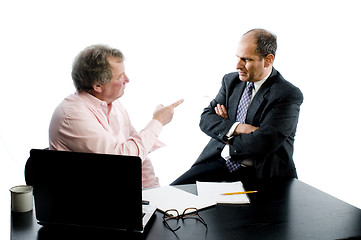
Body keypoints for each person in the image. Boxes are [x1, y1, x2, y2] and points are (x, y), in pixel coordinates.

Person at [172, 29, 303, 186]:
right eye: (238, 58)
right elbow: (206, 119)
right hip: (219, 161)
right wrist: (239, 127)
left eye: (246, 60)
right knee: (172, 194)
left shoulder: (287, 94)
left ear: (268, 60)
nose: (238, 65)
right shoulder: (231, 81)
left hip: (261, 174)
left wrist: (225, 132)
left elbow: (264, 142)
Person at [49, 44, 183, 188]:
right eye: (120, 76)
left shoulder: (113, 105)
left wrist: (155, 192)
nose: (127, 79)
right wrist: (158, 121)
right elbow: (123, 161)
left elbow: (139, 154)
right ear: (97, 85)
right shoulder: (73, 116)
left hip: (118, 197)